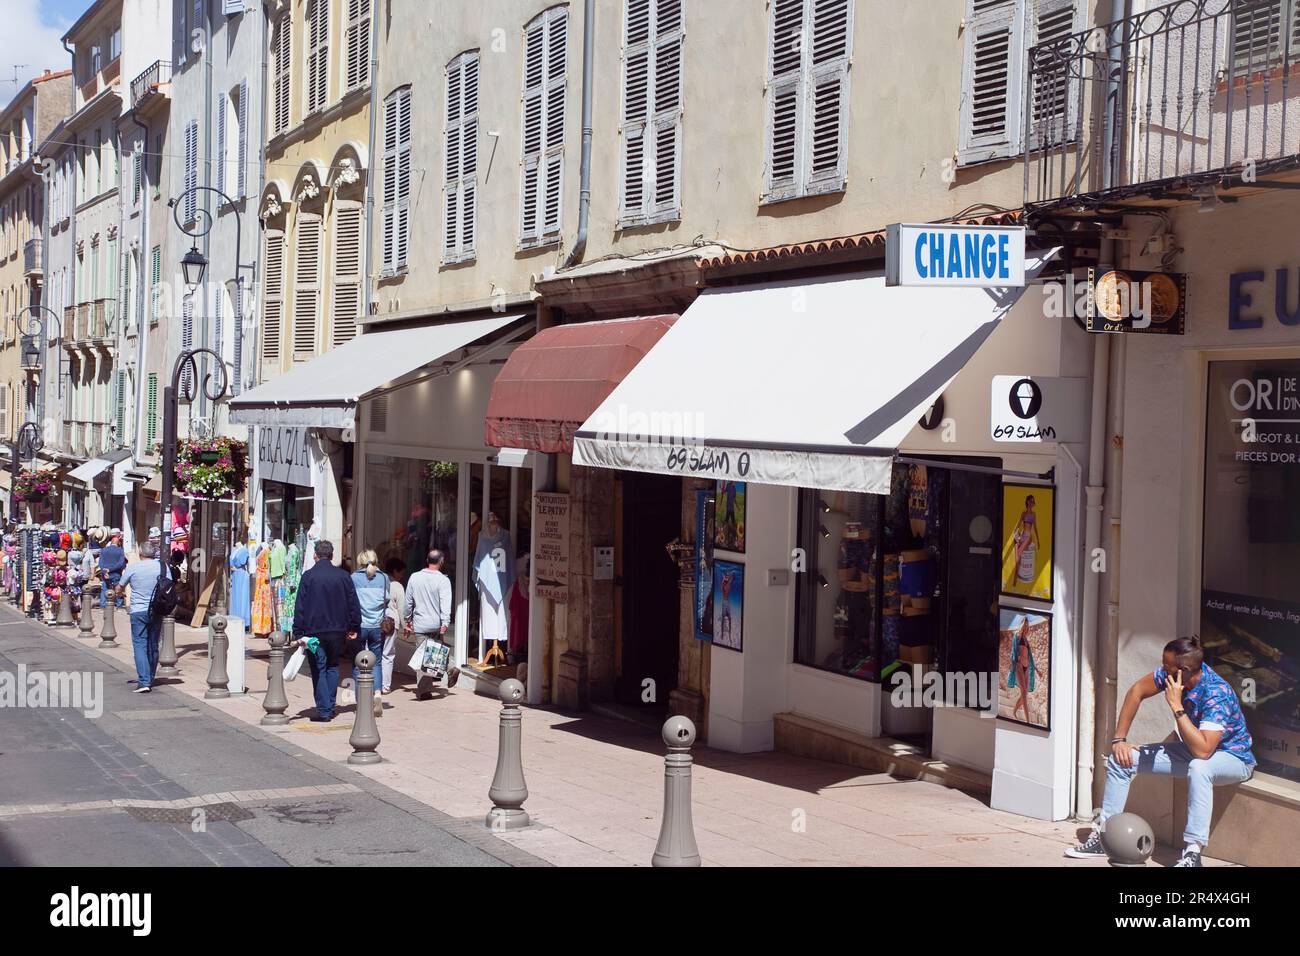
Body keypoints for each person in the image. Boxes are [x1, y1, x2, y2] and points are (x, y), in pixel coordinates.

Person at [1067, 636, 1255, 867]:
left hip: (1233, 758)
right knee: (1121, 759)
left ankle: (1192, 854)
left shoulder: (1216, 694)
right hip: (1193, 750)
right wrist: (1119, 740)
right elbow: (1136, 692)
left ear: (1184, 670)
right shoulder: (1174, 675)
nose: (1162, 671)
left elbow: (1204, 751)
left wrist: (1176, 706)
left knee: (1199, 767)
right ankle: (1105, 837)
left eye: (1167, 667)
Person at [291, 540, 361, 722]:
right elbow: (353, 604)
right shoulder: (343, 576)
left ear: (316, 555)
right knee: (332, 665)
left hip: (314, 630)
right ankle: (328, 706)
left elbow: (300, 606)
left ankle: (324, 709)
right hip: (338, 629)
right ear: (331, 555)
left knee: (318, 666)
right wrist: (354, 626)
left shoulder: (308, 576)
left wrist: (298, 631)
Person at [405, 548, 459, 696]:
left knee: (423, 656)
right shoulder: (443, 580)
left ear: (427, 561)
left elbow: (408, 602)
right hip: (435, 623)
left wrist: (407, 620)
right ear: (441, 562)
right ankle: (450, 668)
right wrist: (445, 623)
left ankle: (424, 690)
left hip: (420, 623)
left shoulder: (414, 577)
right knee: (435, 652)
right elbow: (445, 604)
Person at [116, 541, 165, 694]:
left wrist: (119, 591)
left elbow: (120, 586)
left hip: (138, 610)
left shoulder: (133, 568)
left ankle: (144, 680)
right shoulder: (163, 567)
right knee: (153, 644)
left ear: (140, 553)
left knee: (140, 644)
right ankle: (149, 677)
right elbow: (170, 584)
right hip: (157, 609)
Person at [350, 549, 391, 713]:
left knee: (357, 662)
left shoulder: (354, 578)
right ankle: (377, 694)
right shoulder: (384, 578)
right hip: (377, 626)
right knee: (377, 662)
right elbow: (386, 600)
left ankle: (361, 701)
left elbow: (351, 602)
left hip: (360, 625)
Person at [382, 558, 407, 695]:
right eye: (401, 573)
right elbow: (402, 609)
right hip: (391, 622)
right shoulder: (397, 585)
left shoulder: (378, 580)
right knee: (388, 654)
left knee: (375, 653)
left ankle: (373, 683)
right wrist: (405, 626)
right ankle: (385, 685)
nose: (402, 576)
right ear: (395, 571)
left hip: (376, 620)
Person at [98, 530, 126, 609]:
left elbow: (100, 563)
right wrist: (110, 570)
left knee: (105, 589)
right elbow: (120, 564)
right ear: (117, 542)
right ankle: (119, 605)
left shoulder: (104, 550)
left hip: (105, 573)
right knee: (118, 589)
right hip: (116, 573)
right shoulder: (120, 551)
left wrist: (105, 571)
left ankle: (103, 605)